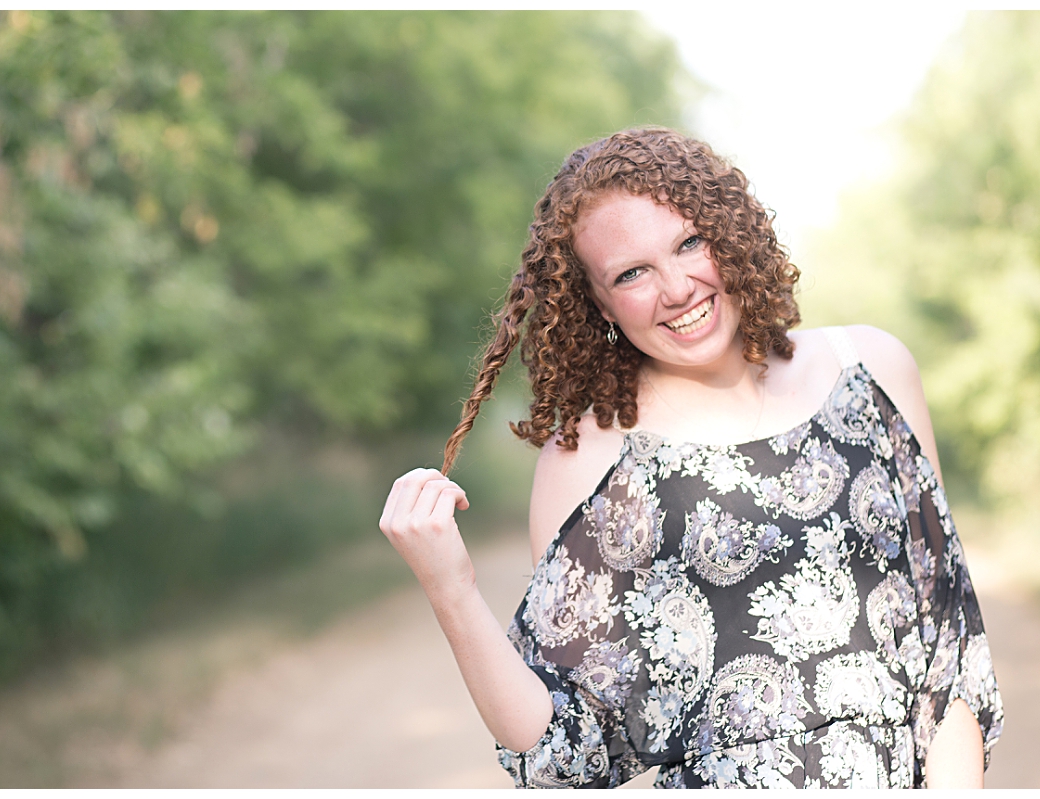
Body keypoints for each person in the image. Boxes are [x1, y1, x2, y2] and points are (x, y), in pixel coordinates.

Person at [378, 128, 1003, 788]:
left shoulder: (871, 368)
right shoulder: (593, 459)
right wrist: (452, 588)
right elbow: (564, 746)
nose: (676, 287)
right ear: (599, 304)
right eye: (631, 273)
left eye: (688, 243)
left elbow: (948, 654)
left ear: (728, 230)